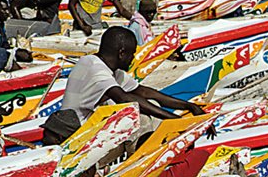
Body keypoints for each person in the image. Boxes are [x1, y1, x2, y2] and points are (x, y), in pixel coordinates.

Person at [61, 26, 206, 124]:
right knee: (140, 119)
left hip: (87, 126)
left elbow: (144, 92)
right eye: (132, 54)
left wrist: (189, 106)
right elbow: (124, 98)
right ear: (122, 53)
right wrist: (177, 120)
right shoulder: (95, 68)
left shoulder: (110, 70)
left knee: (152, 105)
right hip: (74, 130)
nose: (133, 58)